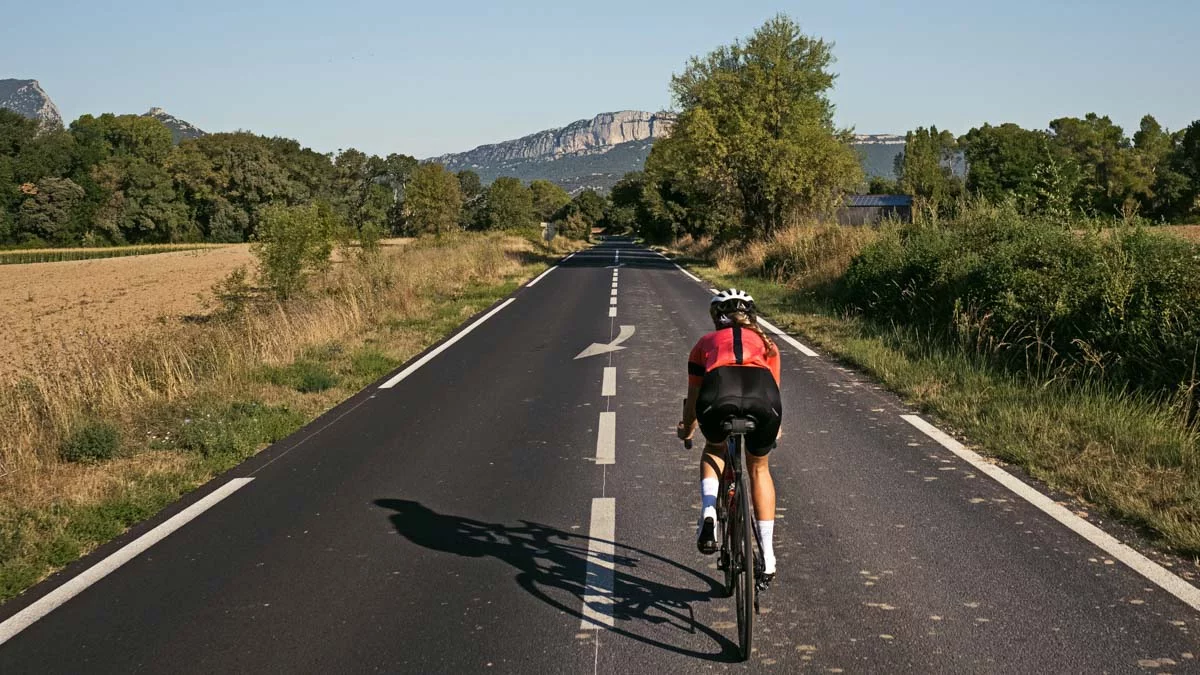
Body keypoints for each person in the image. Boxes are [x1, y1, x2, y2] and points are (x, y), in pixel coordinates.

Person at [677, 289, 782, 586]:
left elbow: (694, 398)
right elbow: (775, 392)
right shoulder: (768, 344)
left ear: (716, 318)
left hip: (717, 396)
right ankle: (769, 555)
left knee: (714, 448)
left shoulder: (704, 344)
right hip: (764, 402)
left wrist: (687, 429)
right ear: (752, 315)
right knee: (759, 467)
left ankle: (709, 510)